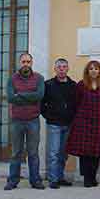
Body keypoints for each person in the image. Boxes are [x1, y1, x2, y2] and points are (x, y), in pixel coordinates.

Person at [66, 60, 100, 188]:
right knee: (85, 150)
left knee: (96, 149)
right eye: (91, 69)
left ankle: (93, 176)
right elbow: (76, 102)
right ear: (87, 71)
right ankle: (87, 178)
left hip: (99, 121)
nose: (93, 71)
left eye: (96, 68)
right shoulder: (81, 85)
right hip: (83, 121)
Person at [4, 53, 45, 191]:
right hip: (17, 121)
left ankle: (35, 180)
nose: (26, 64)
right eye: (23, 62)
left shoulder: (39, 78)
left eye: (28, 61)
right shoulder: (12, 79)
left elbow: (39, 95)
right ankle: (12, 180)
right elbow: (10, 98)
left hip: (33, 120)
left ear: (31, 63)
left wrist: (19, 95)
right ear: (19, 63)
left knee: (33, 152)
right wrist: (30, 97)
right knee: (16, 152)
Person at [41, 58, 77, 189]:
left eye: (64, 67)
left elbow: (76, 103)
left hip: (68, 124)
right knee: (53, 153)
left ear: (68, 69)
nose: (62, 69)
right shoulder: (48, 85)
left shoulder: (73, 85)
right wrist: (48, 116)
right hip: (54, 124)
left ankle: (60, 177)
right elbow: (41, 103)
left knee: (63, 154)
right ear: (55, 69)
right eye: (59, 67)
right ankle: (53, 179)